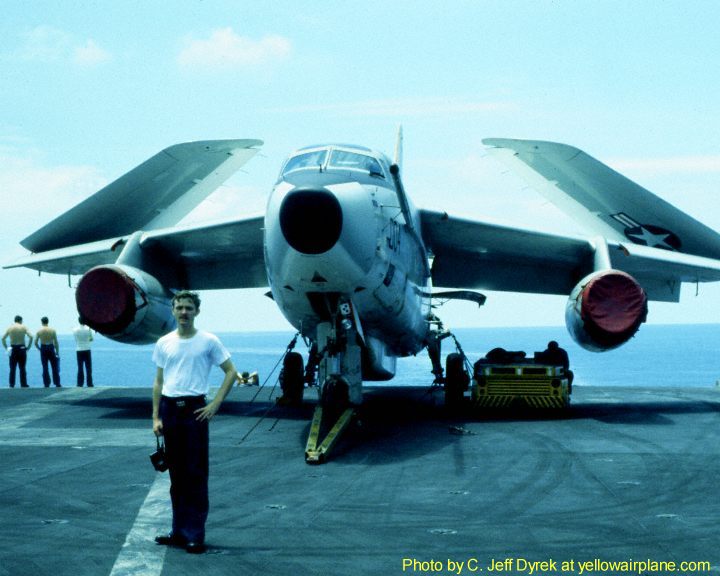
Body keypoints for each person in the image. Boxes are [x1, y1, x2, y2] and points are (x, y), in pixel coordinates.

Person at [151, 290, 237, 554]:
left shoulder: (208, 341)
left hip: (194, 410)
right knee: (176, 476)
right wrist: (155, 416)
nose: (184, 312)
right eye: (179, 308)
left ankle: (195, 534)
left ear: (196, 311)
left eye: (189, 308)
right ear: (173, 311)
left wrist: (214, 404)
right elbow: (158, 381)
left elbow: (231, 372)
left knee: (196, 474)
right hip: (170, 410)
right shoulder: (164, 342)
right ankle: (178, 531)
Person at [2, 316, 33, 388]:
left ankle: (11, 384)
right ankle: (23, 384)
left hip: (13, 349)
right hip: (22, 348)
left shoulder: (10, 328)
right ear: (20, 320)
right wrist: (28, 347)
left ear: (15, 320)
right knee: (22, 367)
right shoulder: (24, 327)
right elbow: (31, 337)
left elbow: (3, 338)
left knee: (12, 368)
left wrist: (7, 348)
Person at [35, 317, 61, 387]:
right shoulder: (52, 330)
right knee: (54, 366)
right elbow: (56, 342)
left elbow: (35, 342)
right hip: (51, 347)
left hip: (43, 348)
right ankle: (57, 383)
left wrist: (39, 349)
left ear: (42, 322)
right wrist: (57, 352)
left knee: (45, 366)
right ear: (48, 322)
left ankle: (46, 383)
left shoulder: (39, 331)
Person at [73, 318, 94, 387]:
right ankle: (89, 383)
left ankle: (79, 383)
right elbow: (91, 339)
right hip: (87, 349)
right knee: (88, 368)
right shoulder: (88, 329)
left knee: (80, 367)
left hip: (79, 349)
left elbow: (76, 339)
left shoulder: (75, 330)